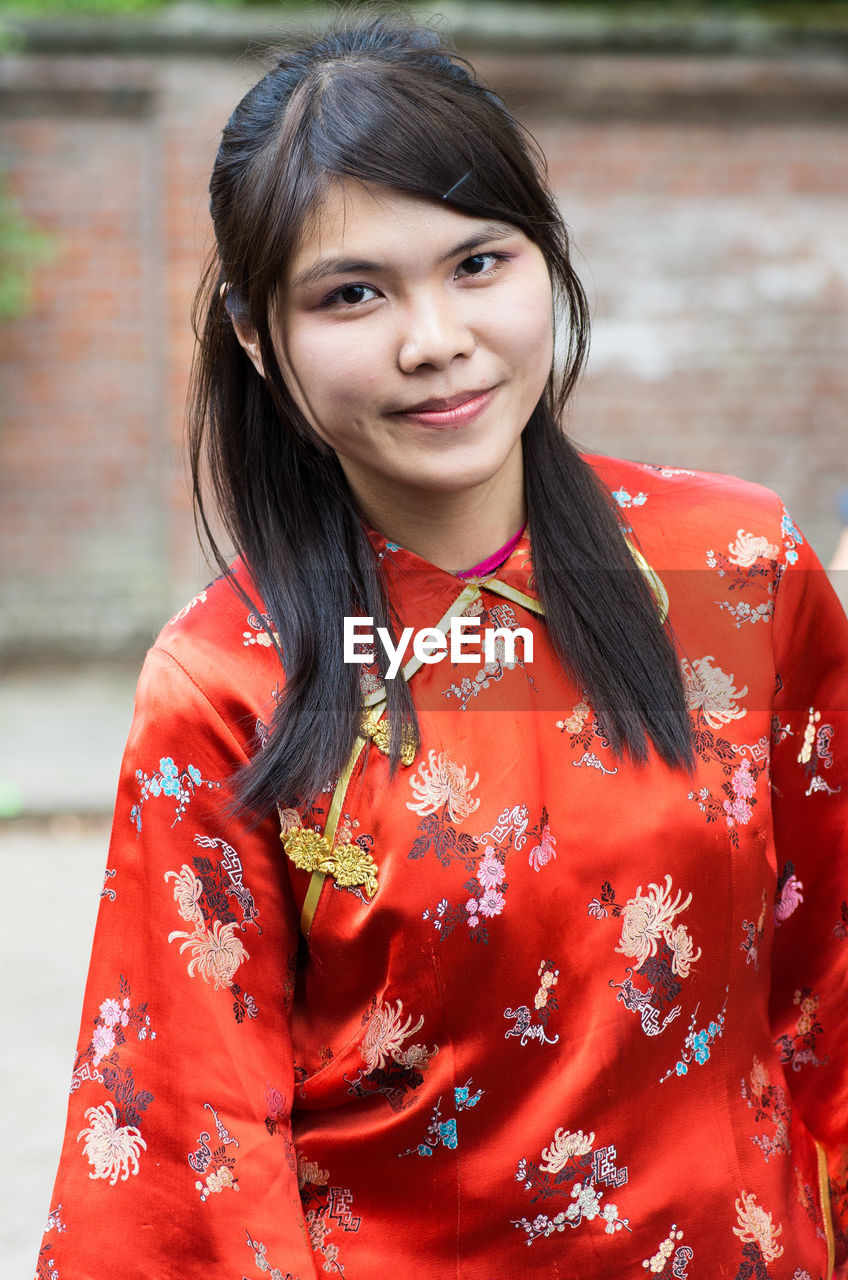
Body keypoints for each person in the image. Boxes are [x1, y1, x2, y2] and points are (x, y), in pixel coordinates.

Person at [36, 10, 848, 1279]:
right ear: (260, 339)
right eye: (352, 293)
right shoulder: (231, 680)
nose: (433, 338)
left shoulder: (737, 572)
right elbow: (189, 1139)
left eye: (477, 263)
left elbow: (827, 976)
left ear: (545, 259)